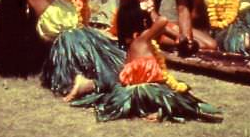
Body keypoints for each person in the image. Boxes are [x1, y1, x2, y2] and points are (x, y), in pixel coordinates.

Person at [18, 0, 125, 101]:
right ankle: (85, 80)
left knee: (118, 67)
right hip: (69, 41)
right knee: (110, 71)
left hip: (79, 36)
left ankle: (88, 81)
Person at [70, 13, 222, 122]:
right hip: (148, 90)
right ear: (140, 30)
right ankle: (163, 111)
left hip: (132, 93)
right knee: (183, 100)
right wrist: (150, 11)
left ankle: (151, 111)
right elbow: (162, 21)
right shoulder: (142, 40)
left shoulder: (132, 46)